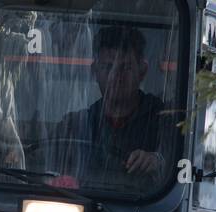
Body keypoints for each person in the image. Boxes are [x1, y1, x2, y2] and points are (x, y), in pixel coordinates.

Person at [51, 24, 175, 185]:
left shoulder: (166, 122)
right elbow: (43, 165)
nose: (115, 76)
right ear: (94, 71)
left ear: (142, 71)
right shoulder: (74, 126)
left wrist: (157, 161)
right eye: (107, 67)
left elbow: (179, 165)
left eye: (125, 67)